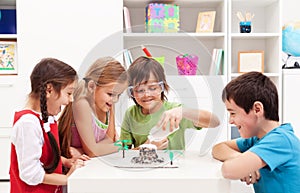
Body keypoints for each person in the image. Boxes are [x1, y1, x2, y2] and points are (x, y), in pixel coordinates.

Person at [212, 71, 300, 193]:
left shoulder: (281, 140)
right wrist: (240, 157)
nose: (230, 121)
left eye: (233, 113)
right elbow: (218, 148)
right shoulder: (257, 140)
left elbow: (229, 170)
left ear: (257, 109)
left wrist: (242, 164)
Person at [10, 58, 86, 193]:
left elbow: (43, 156)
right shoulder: (28, 124)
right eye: (68, 93)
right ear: (49, 90)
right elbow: (30, 173)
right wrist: (67, 178)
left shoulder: (46, 119)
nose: (71, 99)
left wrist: (65, 161)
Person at [120, 56, 220, 150]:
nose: (146, 94)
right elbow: (123, 153)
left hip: (176, 167)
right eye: (140, 90)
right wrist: (147, 147)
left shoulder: (175, 111)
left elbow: (215, 122)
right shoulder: (131, 114)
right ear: (132, 92)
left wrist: (183, 112)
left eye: (152, 88)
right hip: (144, 167)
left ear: (162, 87)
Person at [58, 56, 127, 158]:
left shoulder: (108, 104)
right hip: (71, 167)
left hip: (89, 162)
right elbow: (92, 152)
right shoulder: (82, 104)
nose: (115, 100)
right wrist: (120, 145)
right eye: (110, 94)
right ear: (91, 87)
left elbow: (110, 140)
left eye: (119, 95)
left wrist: (84, 151)